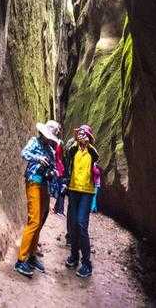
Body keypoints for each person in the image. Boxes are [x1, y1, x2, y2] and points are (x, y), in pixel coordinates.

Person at [14, 119, 60, 278]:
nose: (49, 138)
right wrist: (38, 158)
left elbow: (54, 168)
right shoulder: (34, 142)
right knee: (33, 220)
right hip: (33, 180)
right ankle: (21, 260)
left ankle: (32, 255)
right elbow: (24, 153)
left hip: (44, 184)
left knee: (40, 219)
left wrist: (53, 172)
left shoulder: (51, 150)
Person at [64, 124, 99, 278]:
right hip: (73, 189)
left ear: (89, 137)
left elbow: (96, 157)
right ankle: (74, 256)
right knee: (72, 224)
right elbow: (68, 159)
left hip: (86, 191)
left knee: (81, 224)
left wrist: (87, 143)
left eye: (84, 134)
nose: (81, 136)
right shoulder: (73, 150)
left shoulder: (92, 152)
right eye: (80, 133)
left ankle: (87, 263)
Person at [52, 137, 66, 216]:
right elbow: (57, 157)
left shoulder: (59, 147)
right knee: (61, 190)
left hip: (60, 170)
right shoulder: (58, 146)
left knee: (62, 190)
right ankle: (58, 209)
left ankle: (58, 209)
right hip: (59, 170)